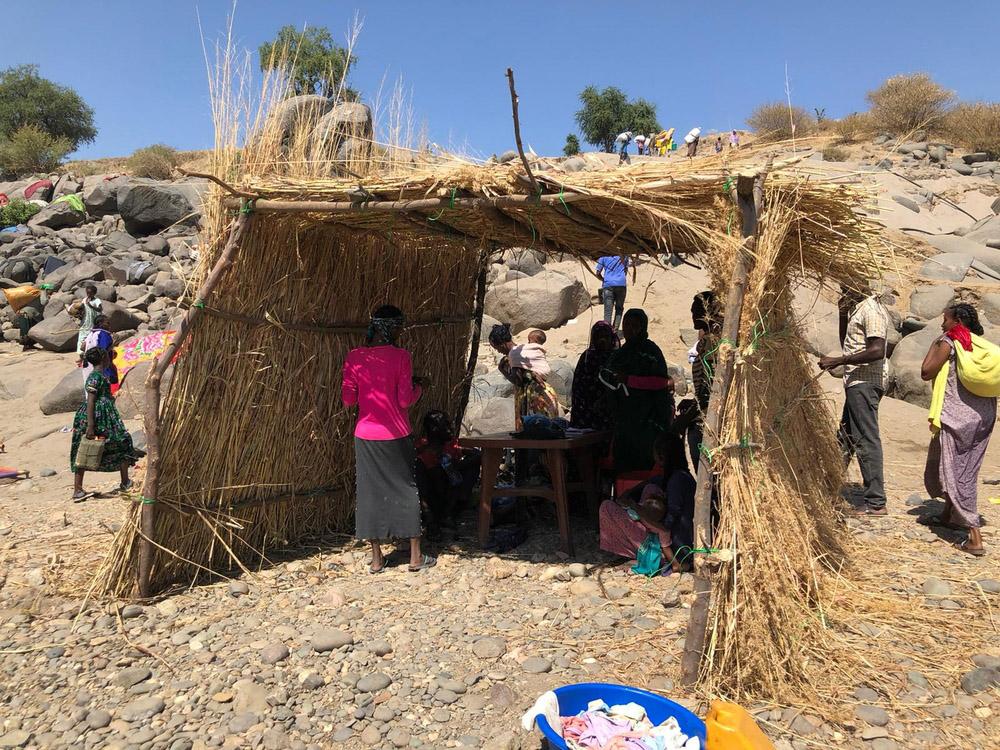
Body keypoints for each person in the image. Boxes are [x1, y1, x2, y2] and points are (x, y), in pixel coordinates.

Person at [341, 304, 435, 573]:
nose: (401, 332)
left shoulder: (355, 357)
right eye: (400, 327)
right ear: (391, 328)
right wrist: (420, 388)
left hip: (365, 436)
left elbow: (348, 400)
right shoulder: (401, 357)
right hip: (396, 435)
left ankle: (377, 559)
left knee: (370, 493)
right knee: (405, 488)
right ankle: (416, 556)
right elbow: (405, 399)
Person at [920, 304, 997, 556]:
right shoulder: (977, 344)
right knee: (964, 466)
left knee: (957, 472)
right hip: (983, 416)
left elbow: (925, 371)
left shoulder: (949, 342)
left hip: (956, 417)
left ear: (957, 321)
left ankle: (974, 536)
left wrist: (934, 344)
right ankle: (948, 515)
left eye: (945, 320)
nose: (942, 324)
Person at [818, 286, 891, 515]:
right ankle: (829, 488)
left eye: (845, 286)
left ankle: (876, 502)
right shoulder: (857, 309)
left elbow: (877, 350)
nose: (842, 289)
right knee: (846, 437)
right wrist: (842, 313)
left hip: (865, 382)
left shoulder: (872, 309)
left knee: (865, 438)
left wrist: (839, 360)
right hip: (855, 381)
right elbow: (849, 343)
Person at [599, 433, 695, 572]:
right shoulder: (680, 476)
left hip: (673, 546)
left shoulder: (676, 481)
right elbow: (653, 481)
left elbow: (668, 524)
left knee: (606, 507)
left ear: (661, 457)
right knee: (651, 488)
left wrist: (637, 509)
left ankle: (654, 555)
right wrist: (632, 493)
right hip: (670, 536)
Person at [602, 309, 674, 473]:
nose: (629, 329)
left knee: (647, 466)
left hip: (649, 422)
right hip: (625, 423)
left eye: (635, 325)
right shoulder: (620, 354)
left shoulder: (651, 352)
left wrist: (629, 380)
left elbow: (661, 382)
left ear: (643, 327)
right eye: (626, 324)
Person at [70, 347, 140, 501]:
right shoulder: (95, 377)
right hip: (97, 416)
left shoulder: (101, 375)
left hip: (104, 415)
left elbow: (113, 380)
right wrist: (90, 425)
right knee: (87, 448)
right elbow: (91, 401)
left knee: (119, 443)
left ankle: (125, 482)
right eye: (107, 356)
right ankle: (78, 490)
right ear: (103, 358)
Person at [414, 410, 481, 540]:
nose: (451, 429)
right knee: (429, 470)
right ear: (434, 429)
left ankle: (449, 513)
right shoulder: (421, 448)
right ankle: (432, 519)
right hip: (429, 496)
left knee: (459, 467)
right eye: (446, 425)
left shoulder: (451, 446)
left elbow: (477, 455)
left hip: (450, 490)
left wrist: (456, 465)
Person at [675, 291, 721, 469]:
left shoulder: (713, 343)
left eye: (697, 310)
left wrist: (685, 419)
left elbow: (709, 390)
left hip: (709, 422)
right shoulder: (705, 342)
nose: (692, 313)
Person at [488, 324, 559, 432]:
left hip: (534, 397)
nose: (498, 351)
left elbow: (518, 380)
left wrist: (502, 371)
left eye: (496, 348)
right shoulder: (524, 351)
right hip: (545, 392)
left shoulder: (514, 355)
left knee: (535, 435)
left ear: (502, 344)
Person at [570, 321, 619, 431]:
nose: (602, 340)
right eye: (598, 336)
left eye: (606, 336)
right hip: (586, 410)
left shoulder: (618, 358)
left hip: (610, 411)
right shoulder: (587, 356)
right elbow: (578, 385)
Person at [596, 255, 628, 332]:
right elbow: (625, 270)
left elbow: (597, 273)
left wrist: (603, 279)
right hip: (621, 285)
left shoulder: (603, 256)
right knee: (619, 309)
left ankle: (607, 332)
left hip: (608, 285)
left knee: (608, 311)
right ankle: (615, 331)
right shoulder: (624, 255)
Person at [10, 286, 47, 352]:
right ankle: (28, 346)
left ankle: (27, 346)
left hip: (22, 313)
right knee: (29, 329)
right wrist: (45, 293)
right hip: (30, 314)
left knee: (24, 330)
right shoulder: (41, 294)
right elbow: (44, 301)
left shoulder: (31, 295)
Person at [73, 285, 103, 361]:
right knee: (81, 339)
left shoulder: (97, 301)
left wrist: (91, 306)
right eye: (87, 293)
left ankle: (89, 357)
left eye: (90, 293)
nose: (88, 295)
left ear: (94, 293)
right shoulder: (84, 300)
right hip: (85, 322)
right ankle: (81, 357)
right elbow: (83, 309)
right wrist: (79, 313)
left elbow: (100, 309)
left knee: (90, 340)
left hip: (93, 323)